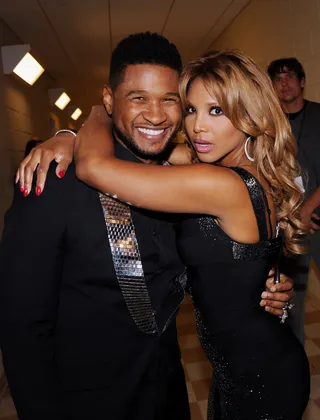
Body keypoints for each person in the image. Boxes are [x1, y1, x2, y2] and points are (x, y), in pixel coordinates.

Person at [5, 33, 294, 420]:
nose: (157, 116)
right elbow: (23, 325)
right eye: (138, 98)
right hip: (89, 402)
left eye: (172, 101)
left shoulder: (200, 179)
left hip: (172, 390)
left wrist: (266, 282)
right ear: (111, 100)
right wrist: (69, 134)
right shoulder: (52, 183)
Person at [72, 50, 310, 419]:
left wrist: (98, 112)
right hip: (244, 364)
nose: (198, 126)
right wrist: (62, 138)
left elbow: (93, 166)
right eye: (191, 109)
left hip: (261, 377)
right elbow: (145, 152)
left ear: (249, 114)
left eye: (216, 111)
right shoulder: (238, 167)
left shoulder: (219, 184)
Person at [267, 57, 320, 344]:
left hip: (316, 219)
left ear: (302, 82)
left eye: (289, 76)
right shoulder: (268, 127)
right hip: (289, 227)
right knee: (291, 304)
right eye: (277, 78)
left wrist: (308, 207)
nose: (283, 82)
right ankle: (294, 368)